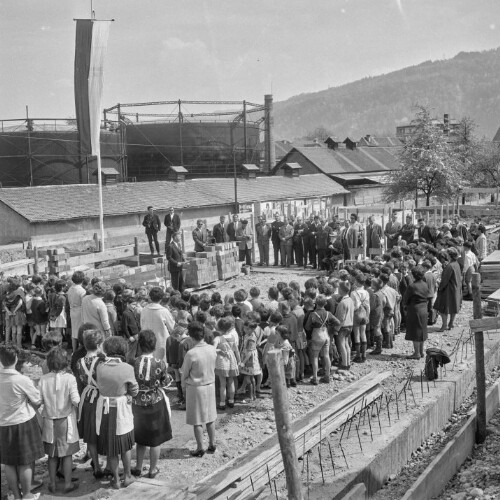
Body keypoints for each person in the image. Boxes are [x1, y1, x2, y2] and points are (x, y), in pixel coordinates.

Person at [0, 344, 44, 500]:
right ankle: (27, 494)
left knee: (9, 463)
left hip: (3, 424)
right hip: (22, 422)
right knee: (25, 461)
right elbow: (37, 402)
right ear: (16, 358)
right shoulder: (21, 379)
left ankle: (16, 495)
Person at [96, 336, 139, 489]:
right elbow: (134, 390)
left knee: (111, 447)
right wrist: (128, 394)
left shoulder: (100, 367)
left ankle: (115, 479)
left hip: (105, 409)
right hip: (121, 408)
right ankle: (127, 476)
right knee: (125, 445)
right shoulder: (127, 368)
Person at [39, 347, 80, 494]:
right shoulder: (70, 378)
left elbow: (38, 400)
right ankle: (67, 484)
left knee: (52, 455)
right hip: (66, 421)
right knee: (67, 454)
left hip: (49, 421)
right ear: (65, 362)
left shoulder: (43, 379)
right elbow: (76, 399)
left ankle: (52, 483)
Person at [131, 330, 172, 479]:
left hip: (137, 402)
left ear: (140, 346)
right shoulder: (160, 363)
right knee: (155, 440)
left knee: (140, 437)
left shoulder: (133, 362)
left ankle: (138, 466)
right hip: (155, 402)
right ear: (154, 346)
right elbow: (165, 382)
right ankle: (153, 469)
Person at [180, 321, 217, 457]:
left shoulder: (191, 353)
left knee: (197, 420)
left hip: (196, 388)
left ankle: (200, 447)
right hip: (210, 384)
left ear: (191, 336)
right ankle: (212, 443)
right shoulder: (212, 348)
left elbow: (184, 373)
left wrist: (183, 387)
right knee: (210, 417)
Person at [75, 329, 105, 479]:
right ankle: (105, 463)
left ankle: (96, 466)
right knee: (102, 430)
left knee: (90, 435)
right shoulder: (101, 361)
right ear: (99, 344)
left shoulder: (79, 362)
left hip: (86, 397)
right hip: (100, 397)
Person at [305, 294, 339, 383]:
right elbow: (338, 322)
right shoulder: (328, 313)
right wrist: (330, 326)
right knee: (326, 356)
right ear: (325, 303)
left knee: (315, 356)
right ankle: (327, 375)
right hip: (326, 335)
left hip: (317, 335)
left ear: (316, 303)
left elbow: (307, 327)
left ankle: (315, 378)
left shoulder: (313, 314)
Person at [140, 287, 175, 362]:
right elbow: (172, 328)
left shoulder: (144, 310)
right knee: (162, 363)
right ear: (161, 298)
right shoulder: (164, 311)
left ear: (150, 297)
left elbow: (142, 326)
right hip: (162, 342)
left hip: (148, 342)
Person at [402, 266, 429, 359]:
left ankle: (416, 353)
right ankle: (421, 352)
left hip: (414, 310)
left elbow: (405, 299)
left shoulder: (412, 286)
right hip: (424, 309)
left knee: (415, 332)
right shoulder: (425, 284)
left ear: (414, 275)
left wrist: (405, 306)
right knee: (422, 331)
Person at [213, 317, 240, 410]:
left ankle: (222, 402)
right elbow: (236, 350)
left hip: (222, 361)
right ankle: (231, 401)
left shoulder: (218, 338)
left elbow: (212, 349)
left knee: (223, 383)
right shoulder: (232, 337)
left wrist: (219, 350)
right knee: (231, 381)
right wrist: (239, 360)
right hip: (232, 360)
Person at [434, 247, 462, 331]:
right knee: (454, 307)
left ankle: (444, 325)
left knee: (443, 308)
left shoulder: (450, 266)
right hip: (456, 288)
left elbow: (445, 279)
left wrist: (440, 287)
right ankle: (451, 323)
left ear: (450, 255)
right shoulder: (456, 264)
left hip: (448, 290)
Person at [351, 274, 371, 363]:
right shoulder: (366, 292)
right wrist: (367, 315)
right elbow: (368, 306)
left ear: (357, 282)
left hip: (356, 314)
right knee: (363, 334)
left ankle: (358, 355)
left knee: (356, 335)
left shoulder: (353, 293)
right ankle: (364, 355)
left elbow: (354, 306)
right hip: (364, 313)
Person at [3, 277, 26, 347]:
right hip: (18, 312)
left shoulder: (8, 293)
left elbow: (4, 304)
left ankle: (14, 344)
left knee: (13, 330)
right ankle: (19, 345)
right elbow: (21, 303)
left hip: (11, 313)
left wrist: (9, 312)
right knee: (18, 331)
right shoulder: (19, 291)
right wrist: (15, 310)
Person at [67, 271, 87, 352]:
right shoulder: (82, 290)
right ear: (82, 280)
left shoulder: (70, 289)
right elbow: (84, 303)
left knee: (74, 331)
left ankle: (74, 350)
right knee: (81, 330)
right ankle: (81, 349)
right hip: (79, 310)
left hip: (72, 310)